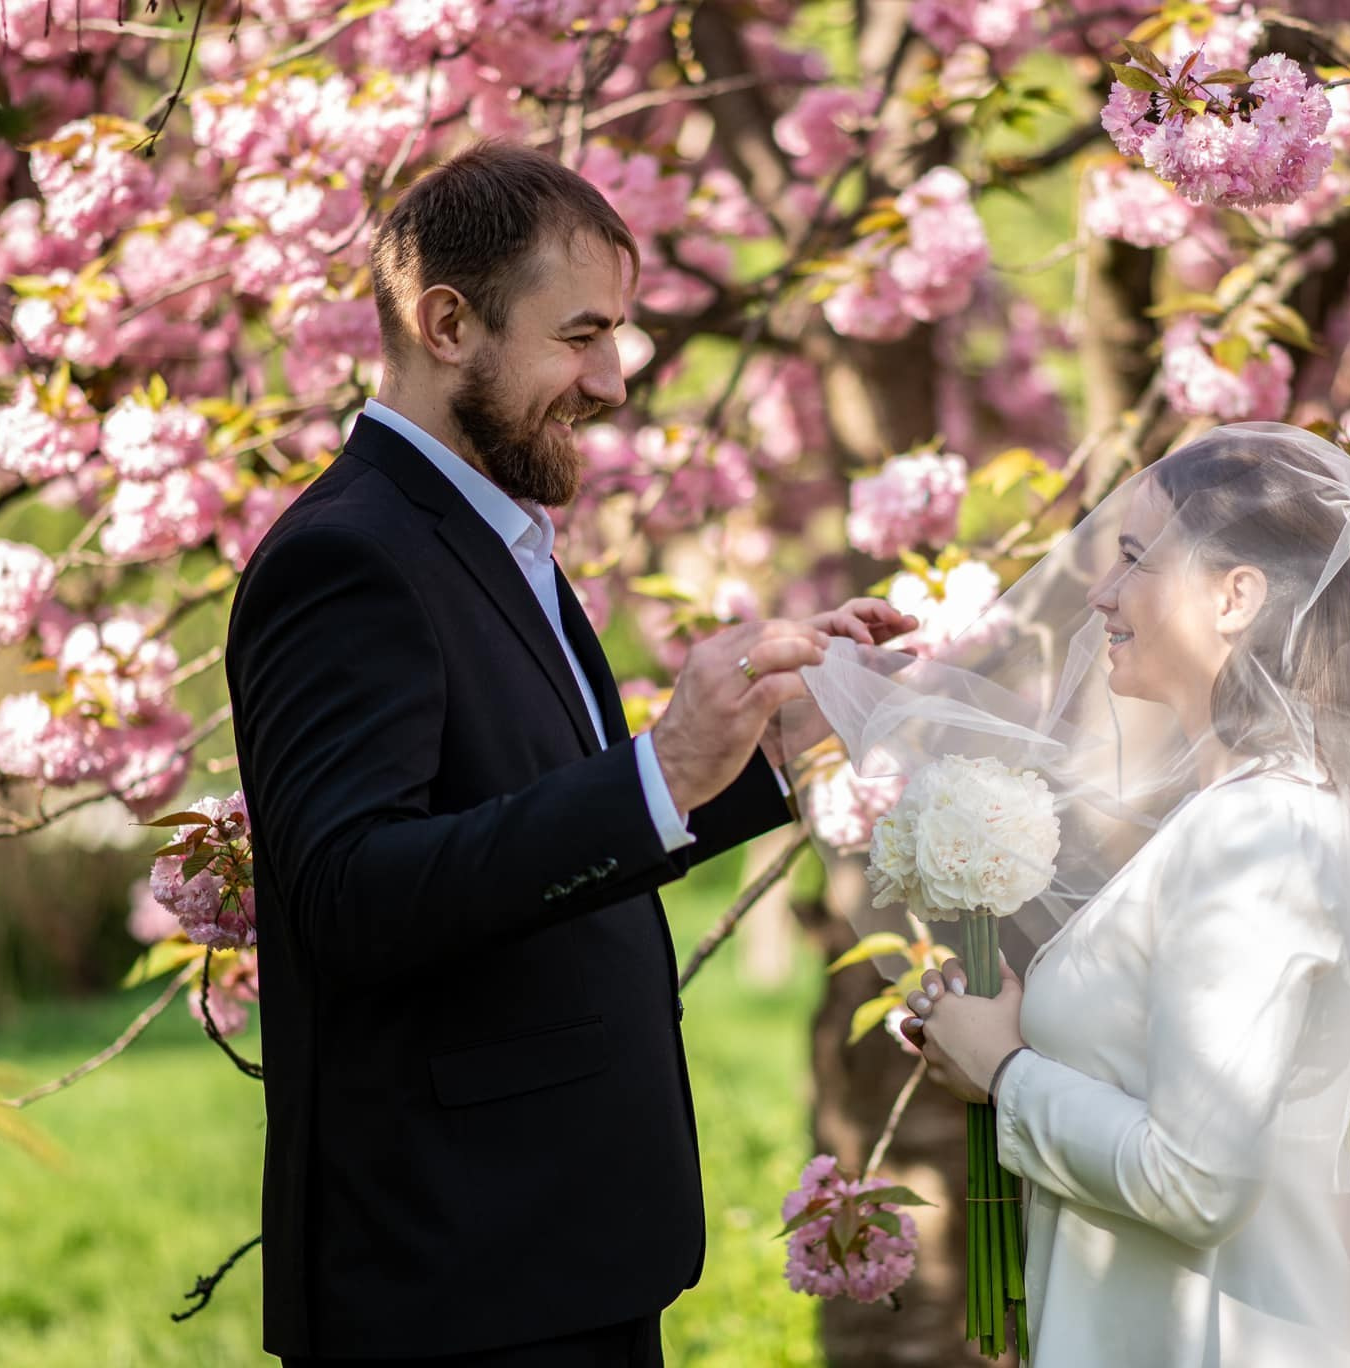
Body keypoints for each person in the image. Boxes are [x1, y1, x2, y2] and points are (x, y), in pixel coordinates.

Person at [226, 141, 913, 1367]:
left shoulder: (493, 535)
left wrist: (770, 746)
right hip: (459, 1284)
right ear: (446, 323)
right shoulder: (349, 558)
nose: (613, 382)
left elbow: (549, 834)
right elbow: (350, 896)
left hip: (560, 1251)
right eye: (579, 336)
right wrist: (655, 771)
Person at [798, 424, 1350, 1366]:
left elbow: (1198, 1179)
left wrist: (1006, 1073)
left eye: (1133, 560)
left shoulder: (1265, 836)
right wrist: (1010, 1035)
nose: (1101, 594)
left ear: (1235, 595)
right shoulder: (1242, 814)